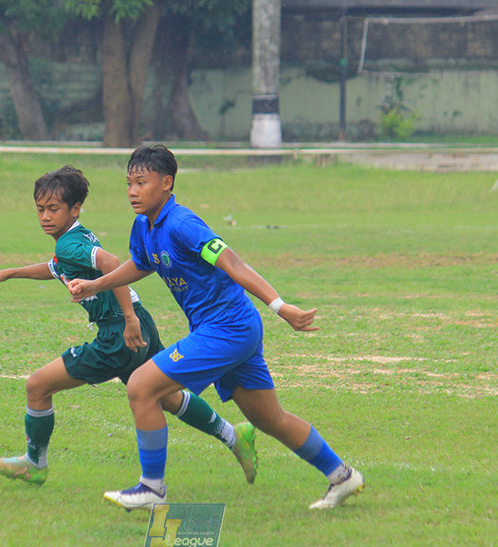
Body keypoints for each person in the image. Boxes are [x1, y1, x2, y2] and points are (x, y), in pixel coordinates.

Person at [68, 145, 364, 511]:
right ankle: (342, 475)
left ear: (166, 183)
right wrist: (96, 285)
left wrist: (279, 305)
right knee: (267, 418)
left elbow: (232, 262)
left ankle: (152, 489)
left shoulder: (182, 224)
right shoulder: (145, 225)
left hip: (228, 329)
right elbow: (142, 263)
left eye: (141, 183)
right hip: (230, 329)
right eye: (128, 183)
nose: (132, 191)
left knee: (142, 386)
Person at [0, 164, 257, 486]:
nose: (44, 216)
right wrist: (7, 273)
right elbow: (55, 268)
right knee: (165, 396)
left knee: (37, 386)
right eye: (40, 209)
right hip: (140, 321)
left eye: (53, 209)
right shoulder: (73, 240)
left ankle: (34, 463)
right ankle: (234, 436)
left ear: (75, 209)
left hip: (118, 332)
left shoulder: (70, 244)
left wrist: (128, 320)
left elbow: (111, 263)